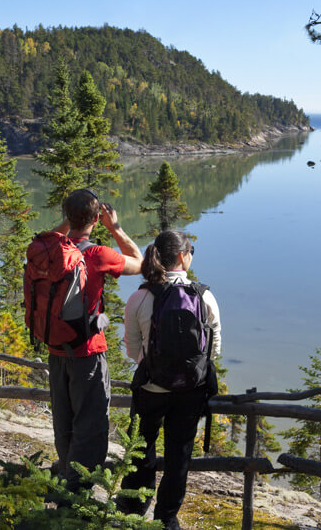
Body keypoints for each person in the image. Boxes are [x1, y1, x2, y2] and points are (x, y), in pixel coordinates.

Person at [118, 230, 221, 530]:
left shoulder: (139, 297)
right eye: (191, 251)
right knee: (179, 453)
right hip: (191, 390)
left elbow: (133, 350)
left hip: (151, 387)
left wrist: (158, 369)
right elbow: (213, 349)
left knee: (142, 446)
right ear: (181, 256)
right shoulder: (204, 296)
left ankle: (134, 505)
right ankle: (167, 518)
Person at [47, 188, 143, 493]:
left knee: (64, 421)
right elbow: (138, 262)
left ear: (66, 216)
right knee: (91, 424)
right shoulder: (98, 254)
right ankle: (78, 498)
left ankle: (66, 477)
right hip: (87, 353)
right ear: (95, 218)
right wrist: (115, 228)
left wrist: (67, 222)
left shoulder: (49, 250)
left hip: (55, 349)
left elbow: (49, 237)